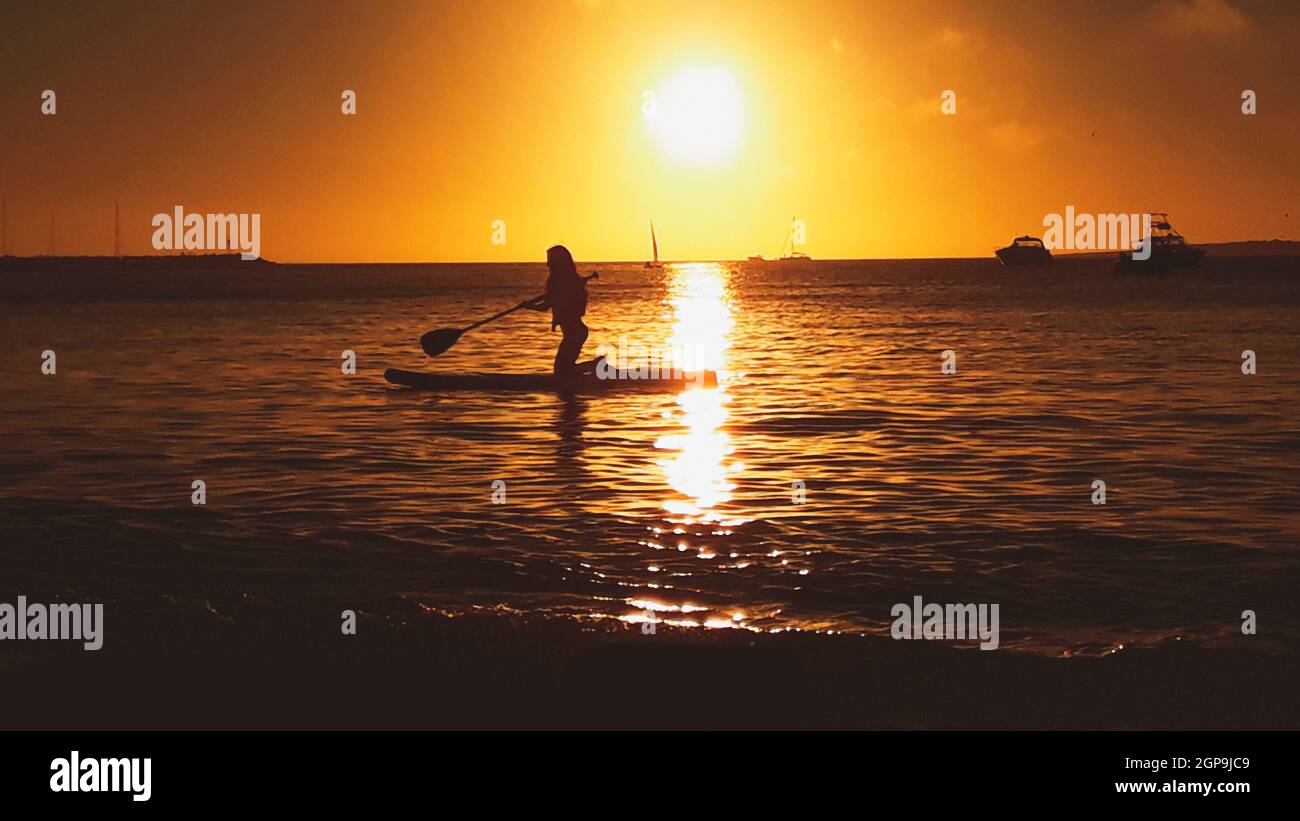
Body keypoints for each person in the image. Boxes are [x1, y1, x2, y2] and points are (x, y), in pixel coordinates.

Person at [523, 245, 592, 376]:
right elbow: (551, 301)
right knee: (564, 370)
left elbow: (545, 306)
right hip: (576, 332)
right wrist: (529, 305)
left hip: (575, 333)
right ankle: (595, 367)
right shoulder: (565, 281)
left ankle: (598, 366)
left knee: (562, 371)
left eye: (550, 260)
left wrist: (528, 306)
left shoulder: (558, 281)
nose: (547, 264)